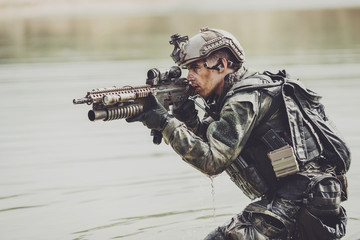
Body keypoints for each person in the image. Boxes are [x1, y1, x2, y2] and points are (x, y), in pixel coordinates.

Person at [126, 27, 350, 240]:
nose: (189, 77)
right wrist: (189, 120)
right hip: (302, 194)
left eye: (195, 68)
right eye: (187, 70)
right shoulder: (233, 94)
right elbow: (216, 142)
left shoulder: (242, 100)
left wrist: (166, 123)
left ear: (222, 64)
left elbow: (212, 161)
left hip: (306, 195)